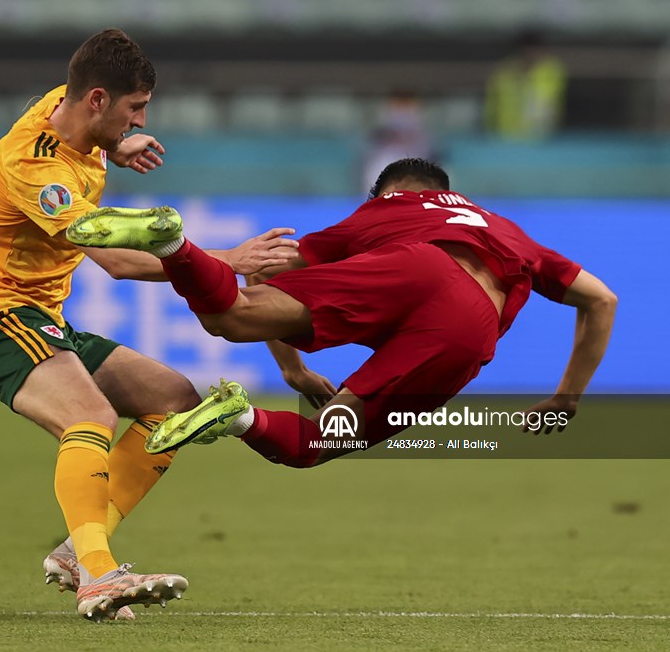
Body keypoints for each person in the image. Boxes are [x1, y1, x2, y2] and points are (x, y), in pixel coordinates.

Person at [0, 28, 297, 621]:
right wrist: (224, 261)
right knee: (90, 418)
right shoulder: (31, 165)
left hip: (44, 317)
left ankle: (78, 552)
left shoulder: (73, 110)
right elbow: (112, 256)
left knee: (175, 400)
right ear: (99, 101)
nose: (139, 123)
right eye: (135, 110)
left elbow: (86, 128)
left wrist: (114, 147)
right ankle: (98, 575)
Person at [66, 158, 617, 467]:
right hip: (466, 322)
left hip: (409, 266)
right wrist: (566, 397)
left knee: (229, 317)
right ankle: (235, 417)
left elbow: (262, 267)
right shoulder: (506, 229)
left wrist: (292, 368)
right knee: (319, 441)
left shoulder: (379, 214)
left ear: (389, 192)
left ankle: (173, 246)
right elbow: (601, 300)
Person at [485, 30, 567, 139]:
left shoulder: (551, 70)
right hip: (504, 135)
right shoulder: (504, 70)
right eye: (527, 51)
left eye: (534, 51)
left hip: (539, 136)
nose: (530, 55)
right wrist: (489, 129)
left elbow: (549, 100)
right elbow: (492, 103)